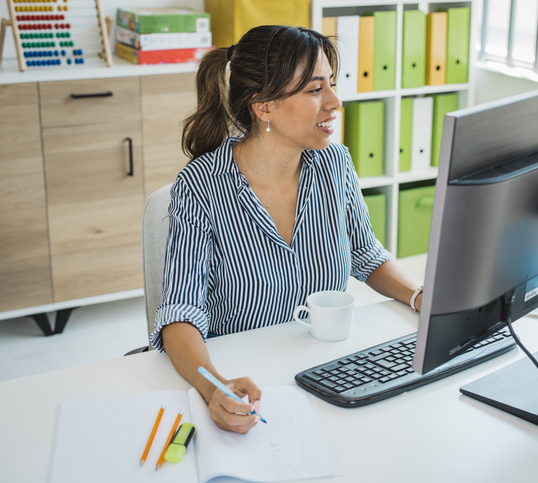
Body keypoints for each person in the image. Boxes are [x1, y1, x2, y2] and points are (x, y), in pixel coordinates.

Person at [150, 25, 424, 435]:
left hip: (328, 374)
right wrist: (214, 387)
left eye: (331, 84)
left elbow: (365, 255)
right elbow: (180, 313)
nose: (335, 102)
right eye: (315, 90)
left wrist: (421, 297)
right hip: (252, 387)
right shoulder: (201, 187)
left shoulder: (335, 163)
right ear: (263, 106)